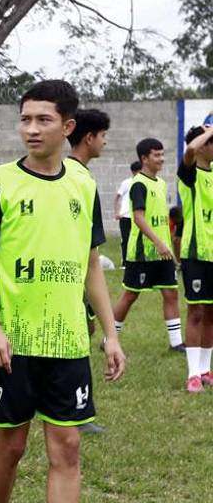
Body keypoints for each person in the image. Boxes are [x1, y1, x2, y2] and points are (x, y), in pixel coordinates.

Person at [0, 79, 125, 503]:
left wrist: (110, 333)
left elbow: (90, 266)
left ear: (68, 126)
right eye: (25, 119)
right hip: (13, 342)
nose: (31, 129)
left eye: (42, 120)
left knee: (68, 445)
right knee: (10, 444)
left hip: (66, 344)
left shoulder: (83, 185)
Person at [65, 107, 112, 435]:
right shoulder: (74, 178)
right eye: (103, 136)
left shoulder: (80, 175)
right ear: (88, 137)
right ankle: (76, 414)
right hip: (62, 279)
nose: (105, 143)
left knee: (81, 336)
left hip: (74, 278)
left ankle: (75, 411)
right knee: (74, 341)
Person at [112, 138, 182, 352]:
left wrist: (167, 245)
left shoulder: (160, 183)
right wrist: (158, 242)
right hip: (143, 253)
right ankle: (110, 339)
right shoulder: (138, 184)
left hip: (163, 252)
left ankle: (176, 343)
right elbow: (139, 218)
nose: (161, 159)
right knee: (131, 295)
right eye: (156, 155)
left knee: (171, 293)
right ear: (144, 158)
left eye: (162, 155)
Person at [177, 124, 213, 391]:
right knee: (196, 312)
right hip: (194, 253)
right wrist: (207, 131)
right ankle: (192, 374)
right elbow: (189, 148)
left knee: (211, 313)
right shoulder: (189, 174)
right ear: (203, 145)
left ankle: (205, 370)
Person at [113, 161, 142, 264]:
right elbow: (117, 197)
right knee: (125, 239)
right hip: (125, 216)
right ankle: (125, 262)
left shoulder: (143, 182)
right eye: (137, 172)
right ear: (133, 172)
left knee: (138, 239)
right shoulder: (126, 183)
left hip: (137, 216)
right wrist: (117, 212)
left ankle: (136, 259)